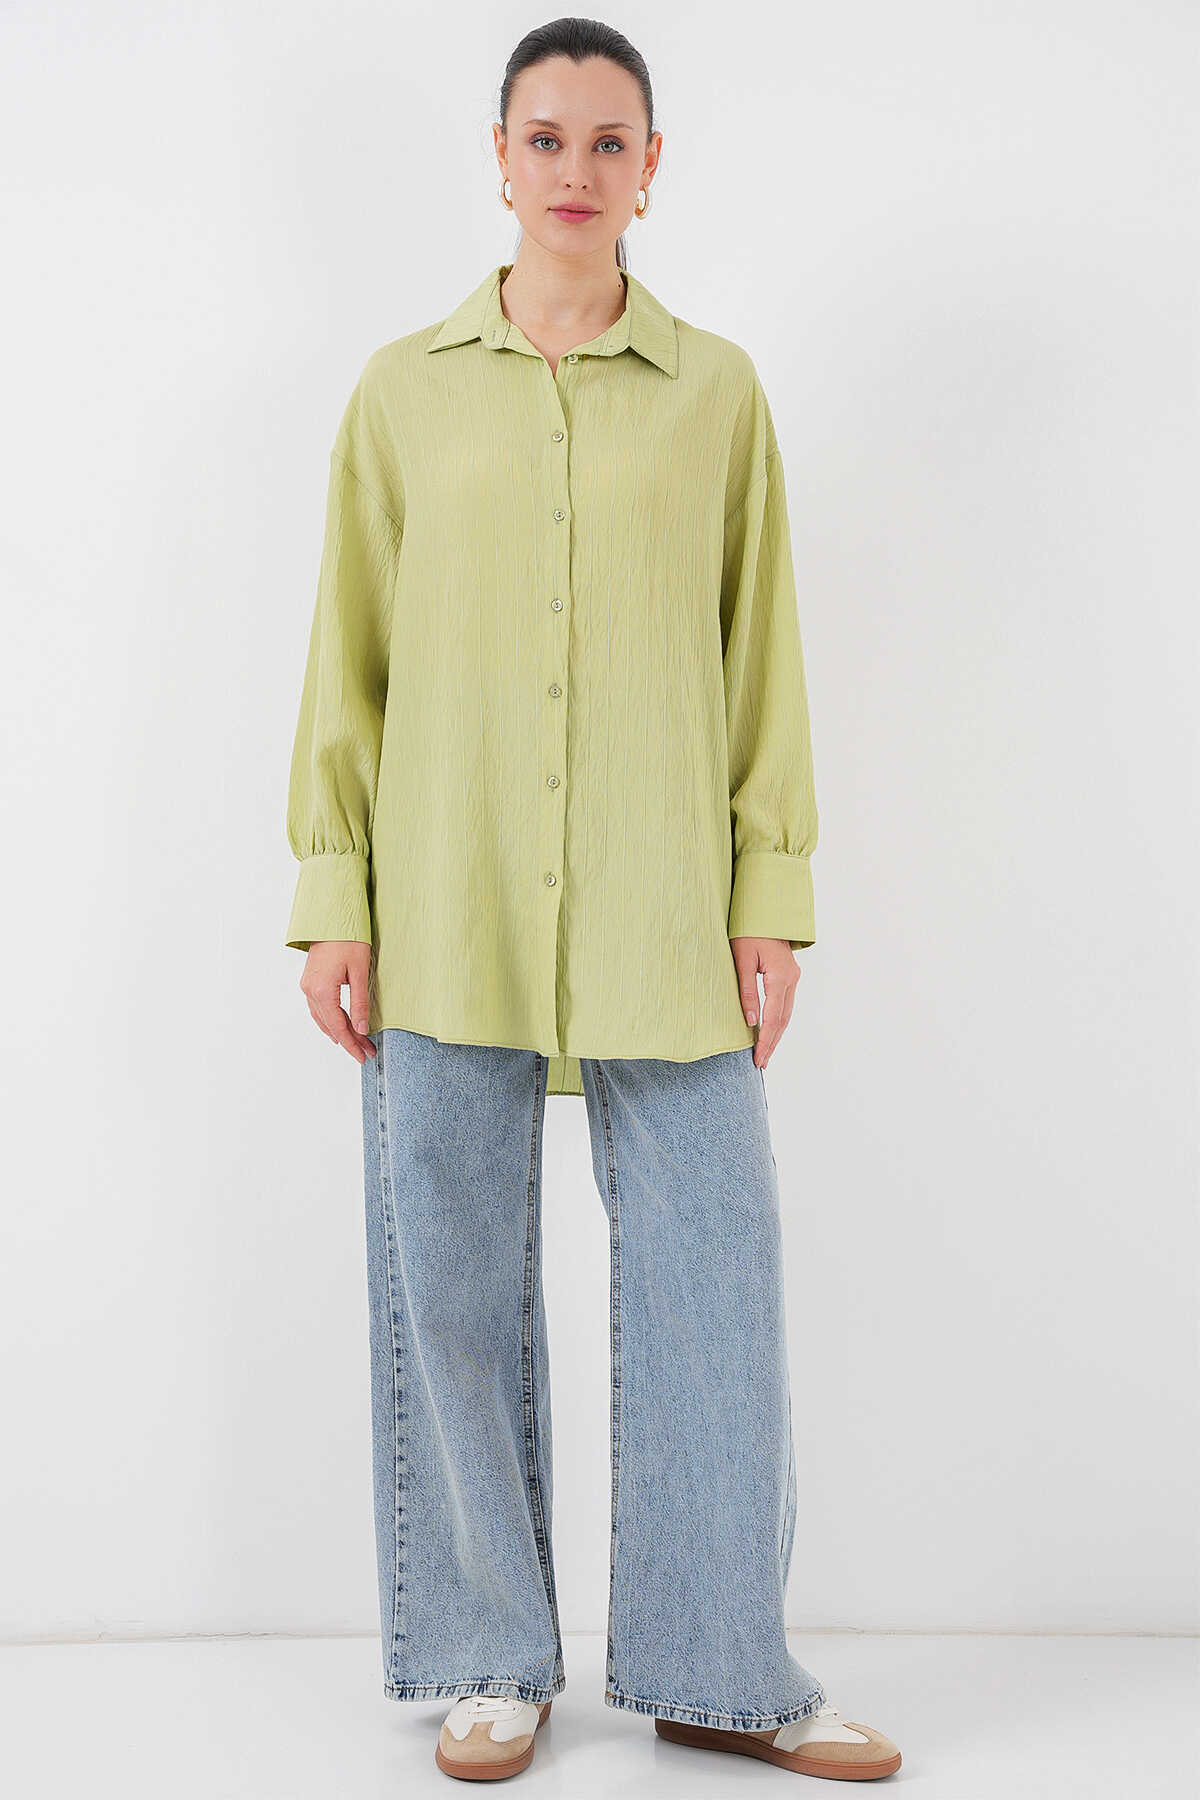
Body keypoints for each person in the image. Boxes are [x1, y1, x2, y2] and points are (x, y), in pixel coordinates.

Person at [284, 15, 902, 1787]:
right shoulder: (401, 393)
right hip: (447, 896)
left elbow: (760, 652)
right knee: (450, 1285)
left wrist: (770, 890)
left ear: (651, 168)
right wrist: (336, 888)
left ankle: (720, 1669)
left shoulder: (717, 393)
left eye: (607, 141)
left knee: (717, 1283)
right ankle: (488, 1654)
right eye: (544, 138)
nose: (575, 169)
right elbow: (350, 652)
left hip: (663, 904)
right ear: (499, 159)